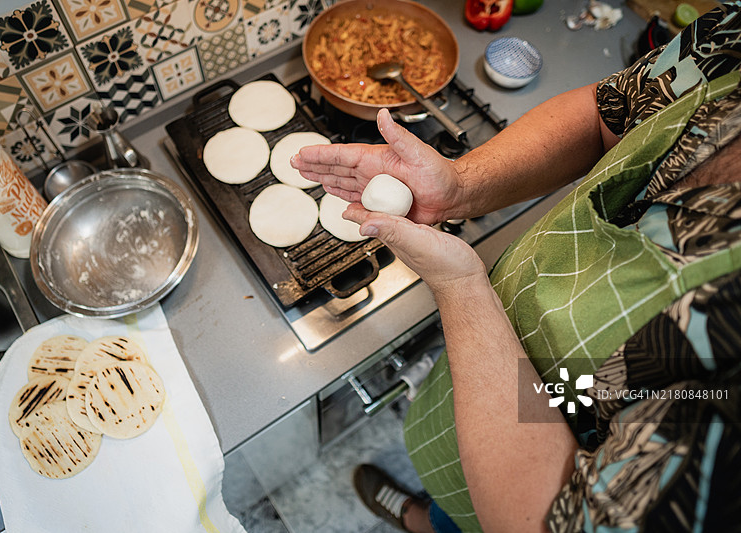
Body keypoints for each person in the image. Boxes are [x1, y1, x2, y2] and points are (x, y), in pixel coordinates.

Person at [290, 2, 741, 532]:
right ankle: (429, 515)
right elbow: (608, 116)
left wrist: (460, 288)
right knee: (455, 474)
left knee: (476, 517)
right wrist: (460, 187)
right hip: (558, 374)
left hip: (579, 434)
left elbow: (544, 522)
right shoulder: (732, 35)